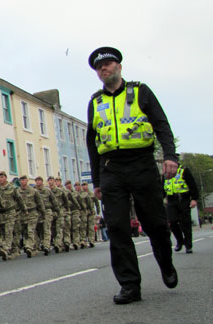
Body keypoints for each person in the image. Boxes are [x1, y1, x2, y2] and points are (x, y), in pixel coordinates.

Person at [86, 46, 178, 304]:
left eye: (108, 65)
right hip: (111, 169)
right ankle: (129, 285)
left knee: (156, 224)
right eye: (99, 68)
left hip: (142, 164)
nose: (104, 69)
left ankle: (166, 264)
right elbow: (92, 144)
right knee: (116, 227)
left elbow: (161, 124)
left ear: (119, 67)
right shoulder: (95, 101)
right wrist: (96, 181)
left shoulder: (140, 91)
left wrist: (170, 156)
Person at [163, 158, 199, 253]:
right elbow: (162, 186)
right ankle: (180, 241)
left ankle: (188, 245)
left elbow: (192, 185)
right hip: (171, 200)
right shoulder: (165, 172)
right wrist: (161, 198)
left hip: (183, 199)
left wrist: (194, 199)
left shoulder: (183, 170)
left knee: (185, 222)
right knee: (172, 221)